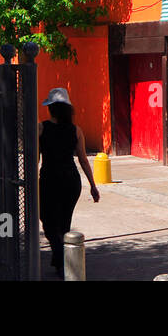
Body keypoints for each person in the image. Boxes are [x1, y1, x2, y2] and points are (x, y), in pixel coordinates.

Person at [38, 87, 99, 278]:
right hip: (71, 181)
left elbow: (34, 157)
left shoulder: (41, 128)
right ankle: (62, 262)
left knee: (47, 221)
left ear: (51, 109)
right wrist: (93, 185)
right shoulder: (76, 130)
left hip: (49, 180)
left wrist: (29, 182)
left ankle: (60, 258)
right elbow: (83, 159)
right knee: (64, 224)